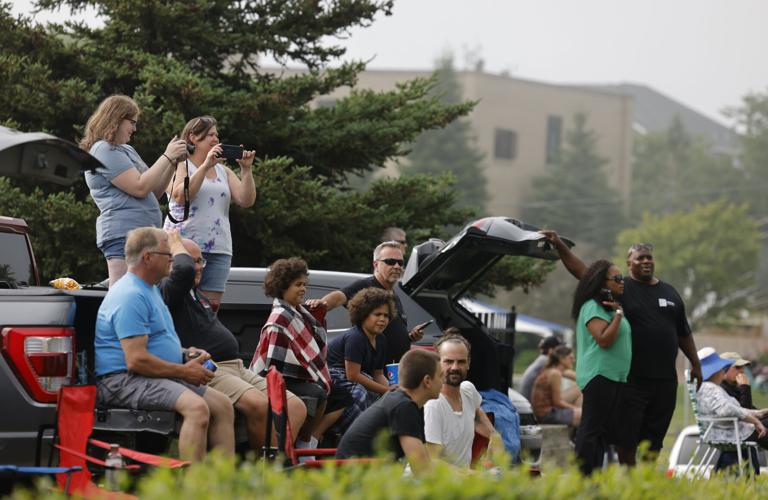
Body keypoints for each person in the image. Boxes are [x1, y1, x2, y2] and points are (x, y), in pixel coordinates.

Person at [542, 232, 702, 460]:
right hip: (632, 381)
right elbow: (584, 273)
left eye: (649, 257)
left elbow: (684, 333)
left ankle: (643, 488)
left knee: (654, 441)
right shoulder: (620, 288)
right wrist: (559, 246)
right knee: (626, 440)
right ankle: (626, 484)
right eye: (640, 258)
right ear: (629, 264)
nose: (646, 261)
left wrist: (696, 364)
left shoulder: (671, 293)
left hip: (666, 381)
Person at [94, 227, 234, 462]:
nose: (172, 259)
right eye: (167, 254)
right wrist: (184, 371)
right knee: (196, 408)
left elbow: (151, 346)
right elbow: (136, 359)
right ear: (147, 258)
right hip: (122, 380)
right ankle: (193, 488)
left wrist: (185, 354)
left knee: (222, 405)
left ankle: (220, 485)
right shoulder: (130, 295)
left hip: (145, 375)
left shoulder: (150, 289)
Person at [160, 236, 307, 451]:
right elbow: (182, 273)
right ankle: (261, 473)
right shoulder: (169, 289)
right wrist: (173, 240)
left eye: (201, 261)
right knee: (258, 405)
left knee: (295, 407)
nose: (199, 267)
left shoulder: (195, 292)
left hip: (236, 367)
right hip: (211, 368)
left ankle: (277, 465)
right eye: (193, 262)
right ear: (172, 263)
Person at [82, 95, 188, 286]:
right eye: (132, 122)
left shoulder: (126, 150)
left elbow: (153, 191)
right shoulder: (102, 149)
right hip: (122, 234)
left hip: (143, 234)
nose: (134, 129)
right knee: (125, 290)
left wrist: (173, 162)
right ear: (116, 118)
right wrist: (166, 155)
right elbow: (139, 187)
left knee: (143, 291)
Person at [251, 257, 348, 450]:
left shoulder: (300, 312)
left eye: (304, 284)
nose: (303, 289)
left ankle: (309, 441)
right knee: (318, 392)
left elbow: (310, 343)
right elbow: (274, 366)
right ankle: (301, 446)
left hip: (299, 374)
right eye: (297, 284)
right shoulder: (279, 317)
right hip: (277, 378)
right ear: (282, 287)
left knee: (343, 395)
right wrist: (309, 377)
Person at [164, 115, 257, 311]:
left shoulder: (224, 171)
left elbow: (246, 200)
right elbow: (181, 195)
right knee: (178, 304)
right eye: (210, 135)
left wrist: (246, 171)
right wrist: (205, 165)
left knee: (210, 310)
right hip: (184, 246)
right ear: (193, 138)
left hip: (219, 249)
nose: (216, 139)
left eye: (217, 135)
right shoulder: (180, 165)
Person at [306, 241, 428, 363]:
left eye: (400, 263)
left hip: (393, 369)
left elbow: (392, 332)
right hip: (372, 370)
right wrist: (319, 304)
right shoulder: (366, 286)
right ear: (376, 264)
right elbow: (339, 297)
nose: (396, 266)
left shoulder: (394, 294)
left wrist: (409, 337)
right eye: (390, 262)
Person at [335, 349, 443, 475]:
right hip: (354, 483)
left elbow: (424, 458)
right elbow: (421, 469)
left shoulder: (410, 404)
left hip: (369, 477)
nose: (443, 382)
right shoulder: (403, 406)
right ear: (427, 381)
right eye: (440, 376)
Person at [570, 260, 633, 475]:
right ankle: (583, 478)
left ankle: (594, 478)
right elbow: (604, 339)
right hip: (599, 375)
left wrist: (617, 312)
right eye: (616, 279)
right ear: (602, 283)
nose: (621, 282)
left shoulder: (611, 306)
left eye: (621, 278)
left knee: (601, 433)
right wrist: (618, 316)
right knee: (591, 430)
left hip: (614, 376)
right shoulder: (592, 307)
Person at [326, 287, 394, 433]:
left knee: (384, 397)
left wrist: (392, 389)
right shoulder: (356, 337)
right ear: (363, 314)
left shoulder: (381, 339)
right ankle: (351, 435)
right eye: (377, 314)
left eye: (386, 315)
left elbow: (378, 374)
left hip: (357, 377)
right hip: (331, 376)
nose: (382, 319)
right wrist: (386, 390)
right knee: (360, 393)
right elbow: (353, 375)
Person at [424, 331, 496, 467]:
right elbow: (432, 463)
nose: (455, 367)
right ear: (437, 363)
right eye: (449, 361)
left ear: (468, 363)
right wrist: (473, 477)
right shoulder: (433, 405)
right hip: (431, 484)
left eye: (461, 362)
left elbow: (481, 422)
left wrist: (495, 439)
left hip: (462, 481)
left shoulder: (468, 391)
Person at [697, 350, 768, 451]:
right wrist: (755, 420)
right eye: (737, 367)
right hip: (735, 433)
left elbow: (734, 409)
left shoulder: (710, 388)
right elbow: (726, 410)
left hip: (735, 431)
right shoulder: (711, 389)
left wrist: (759, 413)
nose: (742, 371)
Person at [530, 346, 582, 427]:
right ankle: (578, 436)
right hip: (546, 415)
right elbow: (557, 403)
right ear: (562, 359)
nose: (573, 361)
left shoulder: (553, 370)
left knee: (581, 389)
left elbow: (580, 379)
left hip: (544, 411)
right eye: (571, 358)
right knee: (585, 415)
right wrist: (575, 408)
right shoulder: (555, 374)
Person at [520, 335, 570, 402]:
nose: (562, 351)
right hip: (531, 404)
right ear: (551, 350)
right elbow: (572, 375)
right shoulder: (546, 361)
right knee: (578, 390)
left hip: (530, 401)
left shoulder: (541, 360)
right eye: (559, 349)